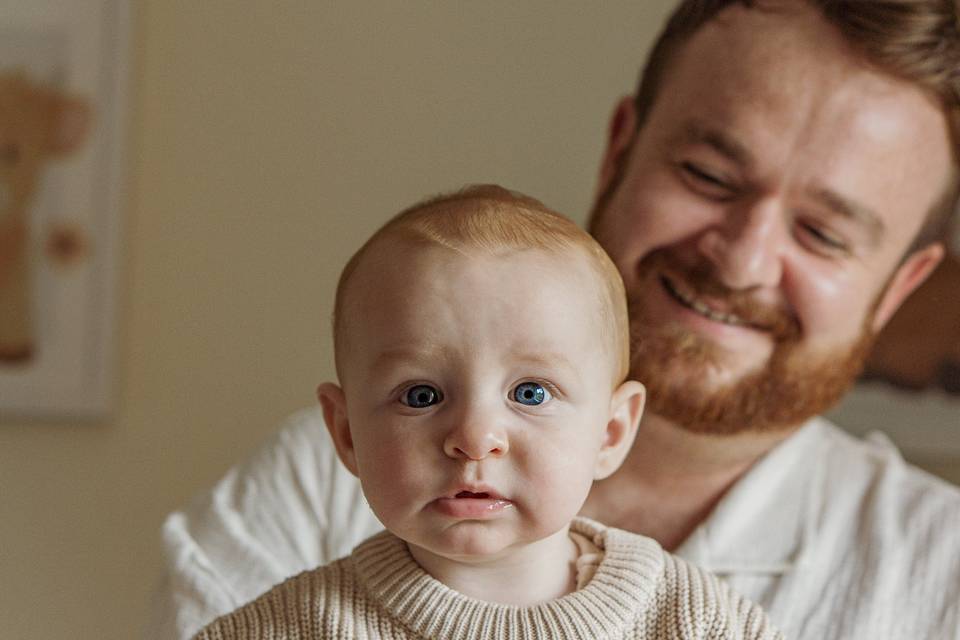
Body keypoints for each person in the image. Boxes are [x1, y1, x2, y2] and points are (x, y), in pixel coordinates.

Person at [151, 1, 960, 639]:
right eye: (709, 174)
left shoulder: (936, 575)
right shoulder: (310, 491)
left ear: (900, 285)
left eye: (822, 233)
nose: (741, 259)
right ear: (619, 152)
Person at [190, 186, 783, 640]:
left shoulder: (694, 620)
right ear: (346, 434)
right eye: (421, 396)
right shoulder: (295, 627)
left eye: (531, 393)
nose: (475, 439)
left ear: (610, 432)